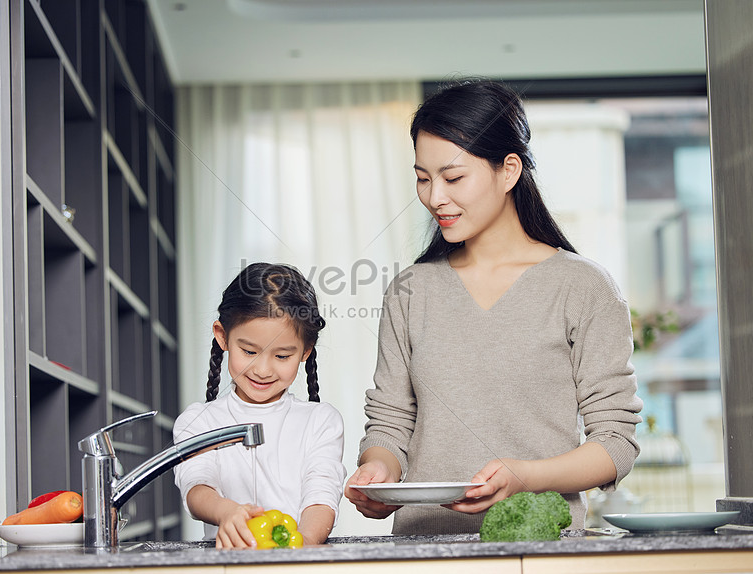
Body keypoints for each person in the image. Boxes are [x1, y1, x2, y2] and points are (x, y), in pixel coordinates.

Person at [344, 79, 643, 535]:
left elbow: (615, 443)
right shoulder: (410, 291)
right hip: (423, 552)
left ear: (508, 171)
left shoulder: (583, 287)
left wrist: (527, 476)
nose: (435, 197)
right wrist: (379, 472)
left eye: (453, 177)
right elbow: (390, 423)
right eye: (423, 179)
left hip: (543, 550)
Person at [173, 262, 346, 548]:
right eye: (249, 351)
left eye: (282, 356)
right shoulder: (198, 421)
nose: (263, 370)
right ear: (222, 335)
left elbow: (321, 495)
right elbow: (196, 485)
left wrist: (303, 546)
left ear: (305, 351)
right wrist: (227, 512)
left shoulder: (321, 421)